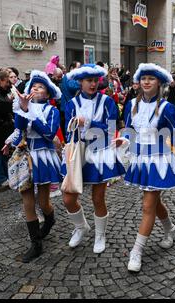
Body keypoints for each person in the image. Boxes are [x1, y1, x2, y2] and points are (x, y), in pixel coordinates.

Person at [118, 63, 175, 272]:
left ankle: (137, 250)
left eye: (151, 78)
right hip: (140, 160)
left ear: (159, 82)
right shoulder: (131, 104)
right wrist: (123, 141)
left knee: (147, 205)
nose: (146, 82)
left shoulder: (166, 107)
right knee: (153, 202)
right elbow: (128, 130)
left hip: (159, 160)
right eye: (143, 78)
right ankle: (171, 230)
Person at [61, 64, 126, 254]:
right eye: (88, 81)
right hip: (79, 152)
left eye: (95, 80)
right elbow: (68, 130)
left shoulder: (107, 102)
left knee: (98, 198)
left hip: (100, 152)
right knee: (68, 198)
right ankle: (81, 226)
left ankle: (100, 234)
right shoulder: (71, 104)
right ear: (80, 82)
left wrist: (88, 123)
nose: (93, 84)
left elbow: (111, 129)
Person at [3, 71, 63, 263]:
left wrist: (31, 114)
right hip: (25, 157)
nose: (35, 89)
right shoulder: (23, 106)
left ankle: (50, 219)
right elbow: (20, 128)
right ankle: (36, 245)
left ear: (47, 94)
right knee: (27, 200)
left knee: (43, 202)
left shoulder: (52, 111)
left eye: (40, 87)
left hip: (44, 157)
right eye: (33, 87)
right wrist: (22, 109)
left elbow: (48, 133)